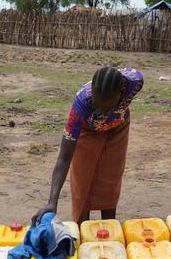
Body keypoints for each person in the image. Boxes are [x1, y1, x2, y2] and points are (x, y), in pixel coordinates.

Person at [32, 66, 144, 226]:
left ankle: (110, 228)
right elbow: (64, 158)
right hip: (88, 130)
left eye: (106, 107)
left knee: (111, 176)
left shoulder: (135, 82)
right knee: (82, 179)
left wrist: (114, 114)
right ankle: (83, 229)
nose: (101, 111)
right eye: (96, 105)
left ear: (120, 93)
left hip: (118, 126)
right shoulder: (81, 104)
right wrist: (52, 202)